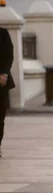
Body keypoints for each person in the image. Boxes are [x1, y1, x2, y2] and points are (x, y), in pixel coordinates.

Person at [0, 26, 14, 158]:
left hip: (0, 83)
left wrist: (4, 73)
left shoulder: (2, 33)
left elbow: (9, 55)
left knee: (0, 115)